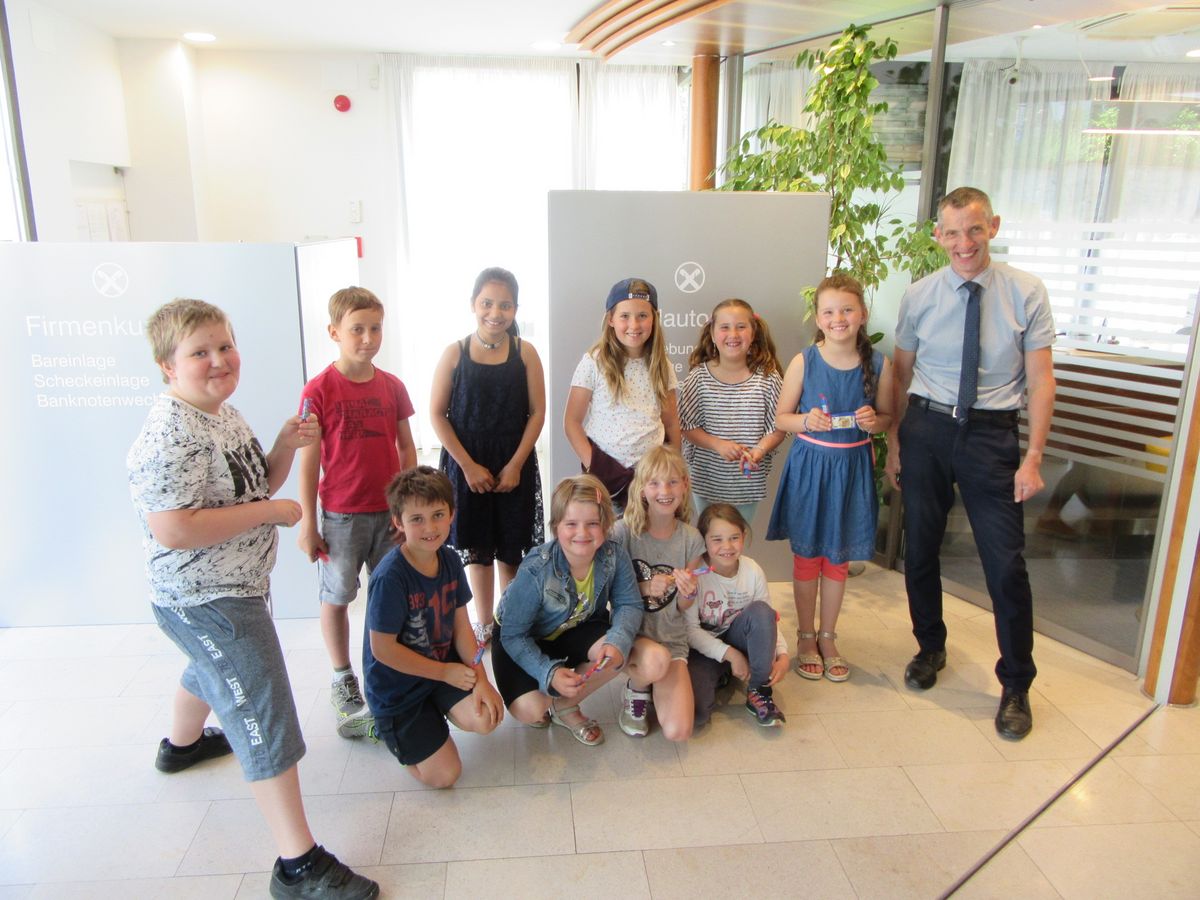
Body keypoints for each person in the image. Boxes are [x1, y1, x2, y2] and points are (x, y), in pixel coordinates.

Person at [127, 299, 378, 900]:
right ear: (168, 366)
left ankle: (181, 747)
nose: (219, 360)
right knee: (262, 707)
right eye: (200, 352)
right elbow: (174, 528)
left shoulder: (222, 413)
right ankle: (299, 867)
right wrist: (271, 512)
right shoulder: (170, 435)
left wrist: (285, 445)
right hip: (205, 598)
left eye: (225, 346)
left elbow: (253, 481)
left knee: (211, 669)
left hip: (236, 586)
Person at [886, 186, 1056, 741]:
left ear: (994, 227)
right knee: (920, 550)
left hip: (991, 435)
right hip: (927, 428)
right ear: (939, 236)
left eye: (975, 230)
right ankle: (930, 647)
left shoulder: (1025, 292)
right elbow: (900, 374)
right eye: (953, 232)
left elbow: (1041, 380)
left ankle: (1017, 684)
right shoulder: (919, 295)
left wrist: (1033, 457)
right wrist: (895, 443)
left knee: (1005, 564)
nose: (964, 243)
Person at [335, 467, 503, 788]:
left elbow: (462, 629)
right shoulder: (390, 577)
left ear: (452, 514)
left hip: (439, 670)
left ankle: (431, 717)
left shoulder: (450, 560)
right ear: (398, 522)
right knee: (444, 776)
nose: (429, 528)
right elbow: (382, 650)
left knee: (486, 718)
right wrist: (444, 673)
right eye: (417, 519)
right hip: (398, 689)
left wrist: (481, 679)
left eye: (438, 515)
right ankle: (380, 725)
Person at [296, 286, 417, 720]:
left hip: (388, 516)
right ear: (334, 332)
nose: (368, 338)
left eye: (375, 329)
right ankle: (341, 675)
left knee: (388, 595)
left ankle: (387, 667)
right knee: (337, 596)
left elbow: (406, 448)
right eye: (357, 329)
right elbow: (309, 461)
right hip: (341, 517)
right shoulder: (318, 390)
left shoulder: (392, 386)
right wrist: (308, 523)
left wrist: (407, 507)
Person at [767, 274, 894, 683]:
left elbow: (888, 417)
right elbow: (781, 418)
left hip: (852, 470)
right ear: (818, 318)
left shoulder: (880, 364)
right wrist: (806, 420)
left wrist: (875, 421)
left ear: (863, 314)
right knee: (807, 557)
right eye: (829, 311)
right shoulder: (804, 361)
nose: (839, 318)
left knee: (838, 558)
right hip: (811, 468)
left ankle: (828, 637)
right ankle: (806, 636)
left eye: (847, 309)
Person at [430, 267, 545, 646]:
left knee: (511, 549)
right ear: (473, 304)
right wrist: (466, 466)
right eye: (487, 303)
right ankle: (483, 624)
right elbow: (437, 414)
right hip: (466, 463)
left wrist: (515, 464)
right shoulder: (455, 353)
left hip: (514, 462)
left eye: (505, 305)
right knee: (477, 550)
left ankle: (508, 621)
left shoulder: (525, 353)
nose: (496, 313)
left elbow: (537, 413)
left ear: (516, 309)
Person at [491, 476, 643, 747]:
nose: (582, 533)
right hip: (522, 637)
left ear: (606, 525)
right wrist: (548, 672)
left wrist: (618, 639)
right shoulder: (536, 568)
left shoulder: (614, 555)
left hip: (574, 625)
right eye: (571, 524)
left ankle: (565, 707)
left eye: (592, 523)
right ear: (555, 527)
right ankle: (548, 690)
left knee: (618, 654)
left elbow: (629, 604)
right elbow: (513, 635)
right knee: (532, 710)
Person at [564, 277, 681, 510]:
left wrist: (672, 467)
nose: (634, 325)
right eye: (625, 316)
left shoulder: (662, 366)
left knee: (650, 532)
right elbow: (571, 422)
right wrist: (594, 466)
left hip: (651, 477)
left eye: (642, 315)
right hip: (605, 478)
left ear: (655, 319)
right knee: (609, 531)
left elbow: (671, 423)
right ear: (611, 319)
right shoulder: (594, 362)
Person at [610, 446, 701, 742]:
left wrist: (688, 591)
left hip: (671, 638)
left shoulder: (691, 539)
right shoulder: (622, 533)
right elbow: (606, 592)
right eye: (655, 483)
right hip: (631, 636)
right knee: (654, 661)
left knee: (678, 731)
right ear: (641, 489)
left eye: (673, 482)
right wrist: (645, 587)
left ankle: (649, 679)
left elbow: (683, 606)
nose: (665, 491)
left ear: (685, 485)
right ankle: (636, 688)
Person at [680, 298, 787, 524]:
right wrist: (717, 444)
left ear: (753, 332)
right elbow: (687, 427)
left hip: (747, 483)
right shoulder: (698, 377)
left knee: (737, 539)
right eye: (725, 327)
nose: (733, 334)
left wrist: (760, 450)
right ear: (712, 333)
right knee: (709, 537)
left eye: (741, 327)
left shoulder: (768, 378)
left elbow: (779, 427)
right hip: (706, 480)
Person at [686, 504, 789, 727]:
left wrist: (783, 654)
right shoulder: (696, 573)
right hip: (703, 649)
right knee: (694, 715)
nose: (727, 546)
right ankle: (723, 673)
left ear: (744, 536)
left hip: (739, 637)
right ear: (704, 541)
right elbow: (690, 631)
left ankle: (759, 690)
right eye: (717, 539)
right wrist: (730, 655)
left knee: (761, 611)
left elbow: (769, 619)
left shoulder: (753, 570)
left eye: (734, 538)